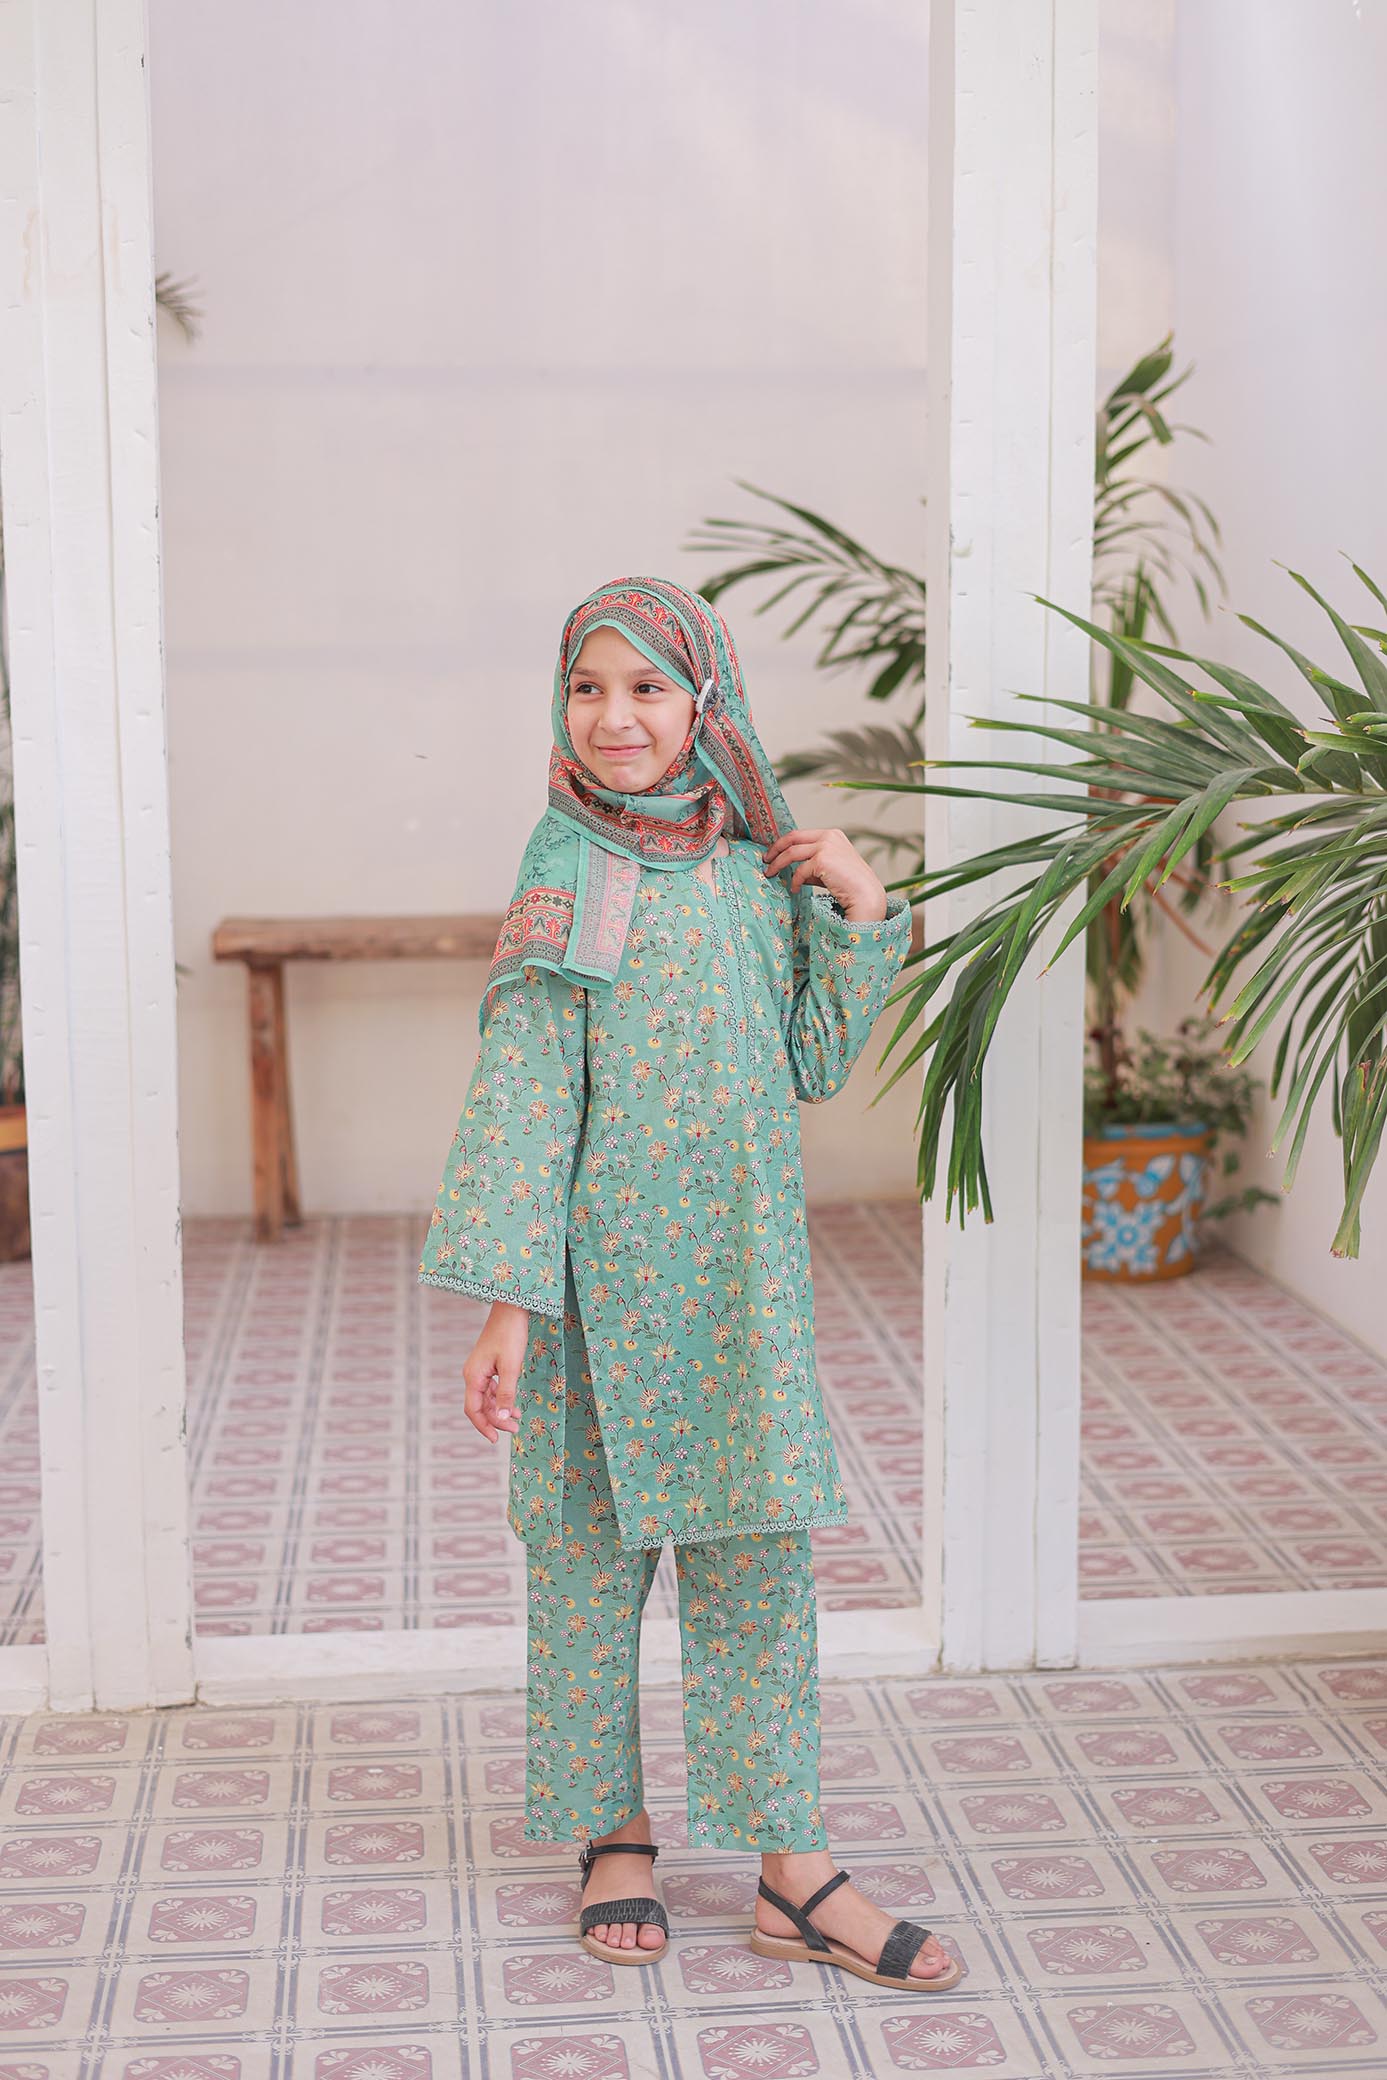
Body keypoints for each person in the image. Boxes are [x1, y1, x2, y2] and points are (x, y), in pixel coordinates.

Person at [418, 576, 961, 1992]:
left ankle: (793, 1871)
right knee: (589, 1574)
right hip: (596, 1298)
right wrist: (509, 1305)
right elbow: (527, 1090)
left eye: (648, 688)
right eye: (589, 688)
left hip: (739, 1291)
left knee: (760, 1566)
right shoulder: (567, 866)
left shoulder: (746, 869)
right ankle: (614, 1835)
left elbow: (809, 1061)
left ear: (703, 702)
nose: (616, 718)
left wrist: (860, 910)